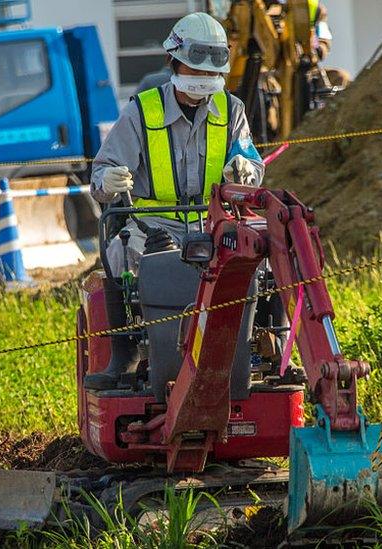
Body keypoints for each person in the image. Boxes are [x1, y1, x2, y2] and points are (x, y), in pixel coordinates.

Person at [84, 12, 264, 390]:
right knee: (125, 254)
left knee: (261, 256)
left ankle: (265, 345)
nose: (200, 81)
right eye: (194, 71)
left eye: (208, 75)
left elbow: (251, 163)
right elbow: (100, 176)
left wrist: (246, 170)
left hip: (215, 224)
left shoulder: (232, 111)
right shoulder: (142, 111)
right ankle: (126, 354)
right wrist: (109, 178)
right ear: (174, 62)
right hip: (152, 228)